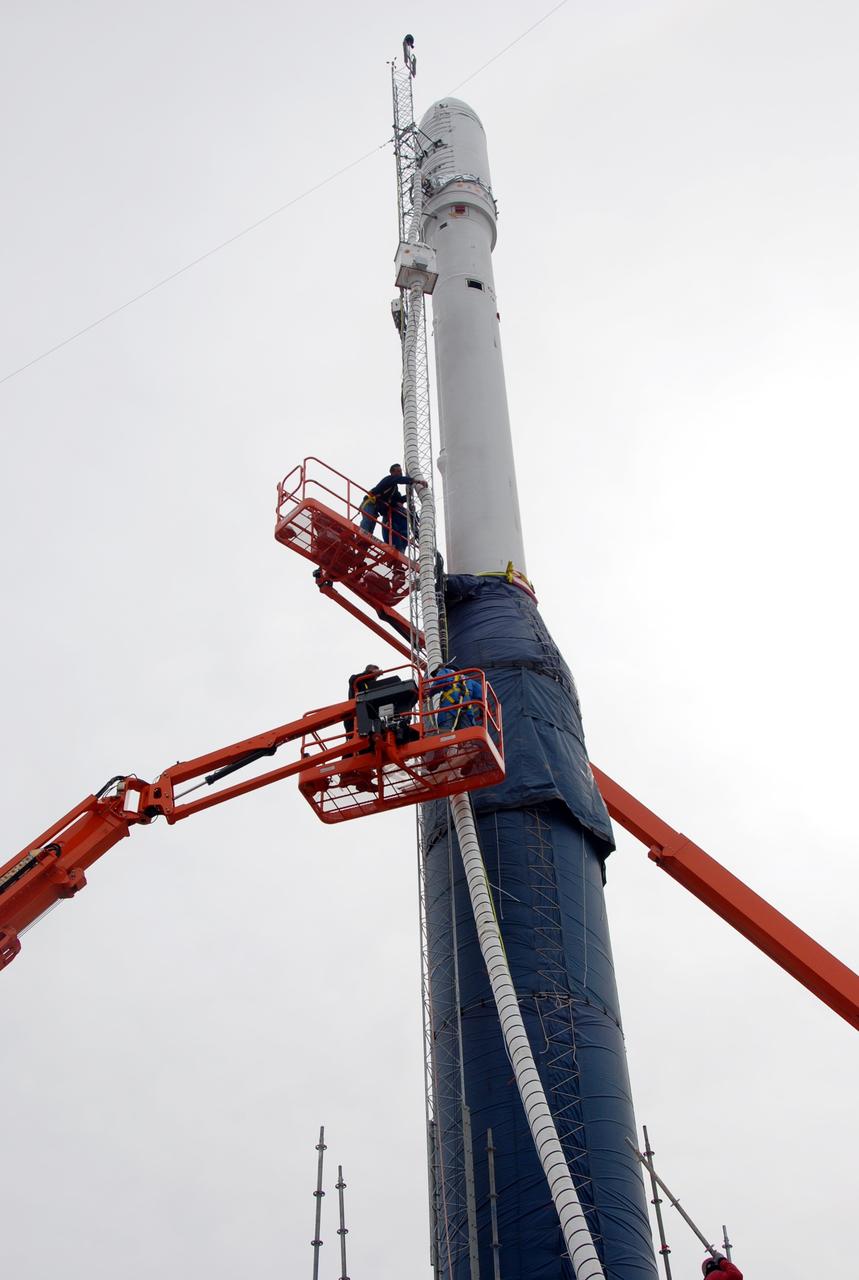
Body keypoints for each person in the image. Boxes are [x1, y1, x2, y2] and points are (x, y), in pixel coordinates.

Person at [358, 464, 426, 551]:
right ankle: (361, 538)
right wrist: (417, 481)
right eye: (398, 471)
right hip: (370, 503)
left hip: (376, 508)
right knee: (367, 524)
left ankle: (363, 547)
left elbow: (398, 500)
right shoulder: (389, 479)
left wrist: (409, 496)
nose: (400, 473)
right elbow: (399, 479)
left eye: (401, 471)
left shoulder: (394, 489)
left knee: (370, 528)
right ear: (392, 472)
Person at [430, 667, 484, 731]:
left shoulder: (445, 671)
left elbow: (439, 681)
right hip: (467, 711)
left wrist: (428, 693)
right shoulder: (469, 680)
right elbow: (482, 694)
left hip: (449, 708)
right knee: (467, 736)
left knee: (445, 734)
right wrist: (482, 711)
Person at [344, 664, 380, 735]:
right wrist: (370, 674)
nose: (376, 677)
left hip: (368, 719)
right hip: (354, 718)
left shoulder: (370, 686)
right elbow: (352, 680)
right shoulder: (359, 681)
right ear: (370, 670)